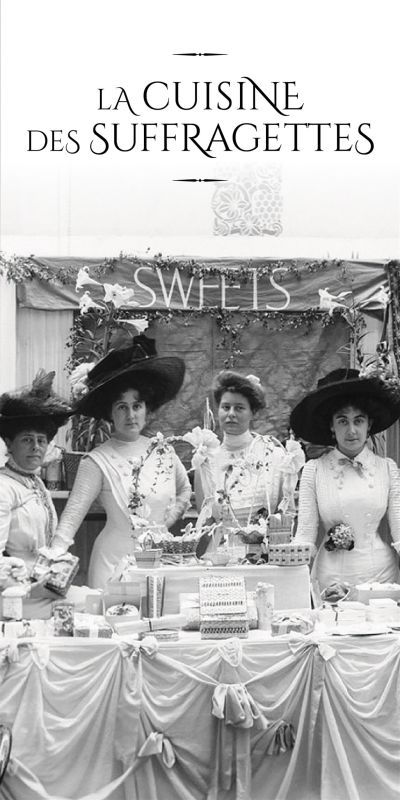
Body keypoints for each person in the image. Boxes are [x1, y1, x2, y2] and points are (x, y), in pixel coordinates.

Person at [55, 335, 192, 590]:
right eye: (121, 407)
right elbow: (71, 517)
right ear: (110, 413)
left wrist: (166, 522)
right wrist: (52, 561)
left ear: (146, 408)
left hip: (161, 560)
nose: (131, 415)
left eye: (136, 406)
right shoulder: (96, 461)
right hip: (113, 564)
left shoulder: (163, 450)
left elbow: (185, 489)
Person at [290, 366, 400, 592]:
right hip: (330, 580)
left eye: (358, 421)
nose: (351, 431)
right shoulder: (314, 470)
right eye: (342, 421)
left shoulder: (387, 468)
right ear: (331, 425)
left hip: (381, 578)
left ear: (369, 424)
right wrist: (291, 583)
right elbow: (304, 535)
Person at [0, 370, 72, 617]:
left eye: (41, 440)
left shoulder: (35, 483)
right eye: (27, 440)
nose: (36, 447)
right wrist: (28, 585)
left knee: (94, 600)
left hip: (43, 587)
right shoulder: (4, 487)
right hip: (15, 596)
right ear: (9, 443)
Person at [195, 371, 290, 527]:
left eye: (239, 408)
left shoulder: (274, 455)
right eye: (226, 407)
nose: (231, 414)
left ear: (253, 412)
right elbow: (205, 523)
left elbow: (285, 513)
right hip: (219, 542)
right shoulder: (206, 461)